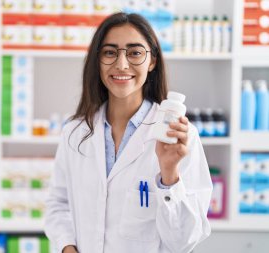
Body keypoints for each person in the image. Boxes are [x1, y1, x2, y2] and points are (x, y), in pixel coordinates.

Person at [44, 12, 212, 253]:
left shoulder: (180, 137)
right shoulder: (75, 132)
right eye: (110, 52)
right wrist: (67, 246)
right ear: (98, 60)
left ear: (152, 61)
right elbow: (58, 205)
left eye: (134, 52)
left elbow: (183, 241)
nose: (121, 64)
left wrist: (169, 175)